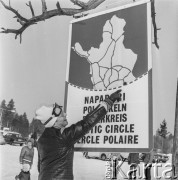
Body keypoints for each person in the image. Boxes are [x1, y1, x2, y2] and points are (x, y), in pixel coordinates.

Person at [36, 90, 122, 180]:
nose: (65, 114)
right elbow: (87, 123)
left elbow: (40, 167)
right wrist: (109, 101)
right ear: (54, 121)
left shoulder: (41, 141)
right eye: (62, 115)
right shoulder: (63, 136)